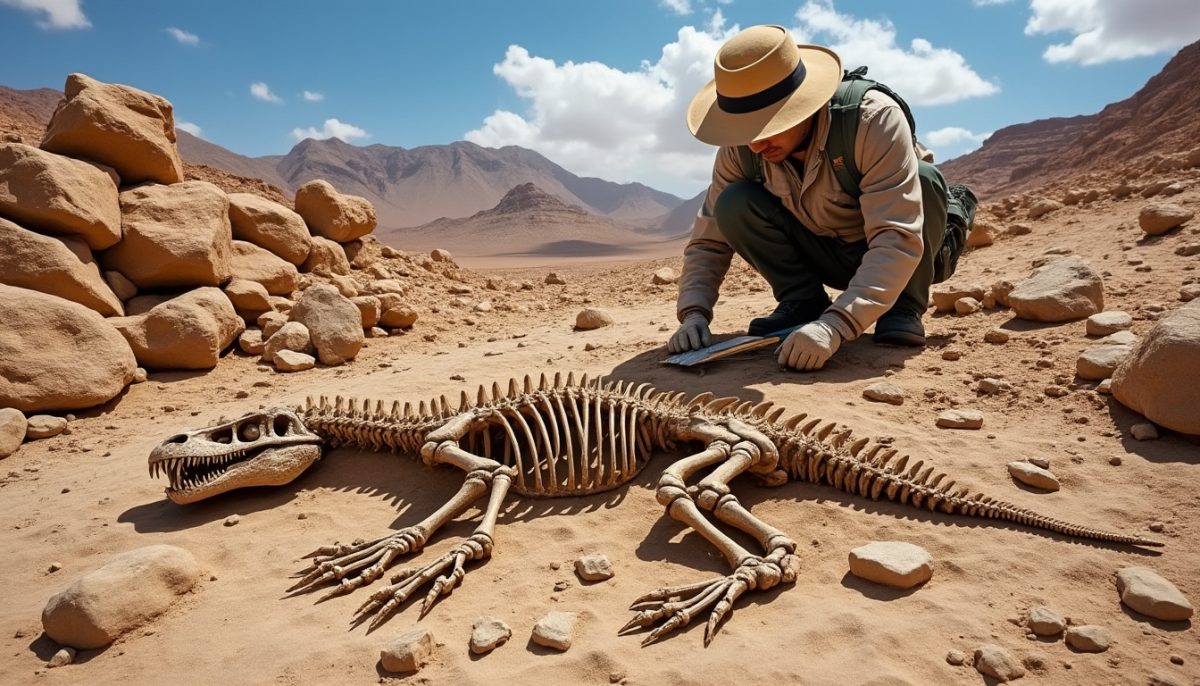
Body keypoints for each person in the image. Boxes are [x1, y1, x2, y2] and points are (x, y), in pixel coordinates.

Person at [668, 24, 972, 370]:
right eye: (745, 128)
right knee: (733, 202)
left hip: (907, 256)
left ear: (805, 104)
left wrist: (837, 325)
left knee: (925, 178)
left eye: (766, 125)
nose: (754, 144)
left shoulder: (874, 119)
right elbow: (709, 241)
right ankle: (802, 302)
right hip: (823, 250)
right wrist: (693, 314)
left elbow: (896, 236)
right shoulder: (742, 147)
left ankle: (904, 305)